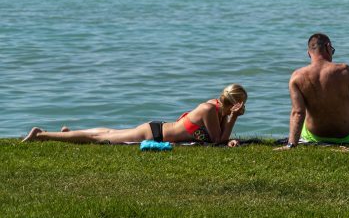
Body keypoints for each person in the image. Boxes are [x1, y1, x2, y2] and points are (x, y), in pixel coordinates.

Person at [22, 84, 248, 147]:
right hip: (154, 135)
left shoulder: (217, 109)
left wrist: (230, 121)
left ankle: (70, 134)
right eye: (241, 103)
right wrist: (234, 118)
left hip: (156, 130)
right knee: (100, 139)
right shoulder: (210, 110)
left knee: (107, 133)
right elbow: (218, 140)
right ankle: (42, 134)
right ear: (235, 103)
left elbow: (219, 138)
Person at [279, 33, 349, 149]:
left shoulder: (297, 77)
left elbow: (298, 113)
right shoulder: (344, 71)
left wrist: (291, 144)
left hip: (315, 137)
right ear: (328, 47)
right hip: (348, 138)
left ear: (309, 54)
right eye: (332, 50)